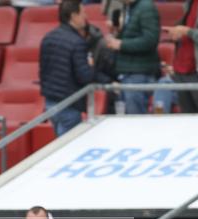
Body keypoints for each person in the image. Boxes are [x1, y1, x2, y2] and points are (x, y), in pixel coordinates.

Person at [40, 1, 101, 136]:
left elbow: (42, 72)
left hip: (50, 103)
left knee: (59, 144)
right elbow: (84, 76)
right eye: (83, 13)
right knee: (68, 148)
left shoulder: (48, 38)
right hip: (69, 104)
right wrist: (91, 66)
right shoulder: (77, 42)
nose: (85, 16)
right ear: (73, 15)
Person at [109, 0, 160, 115]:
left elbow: (150, 40)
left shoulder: (146, 7)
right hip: (127, 74)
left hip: (139, 75)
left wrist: (121, 44)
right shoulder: (129, 8)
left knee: (136, 123)